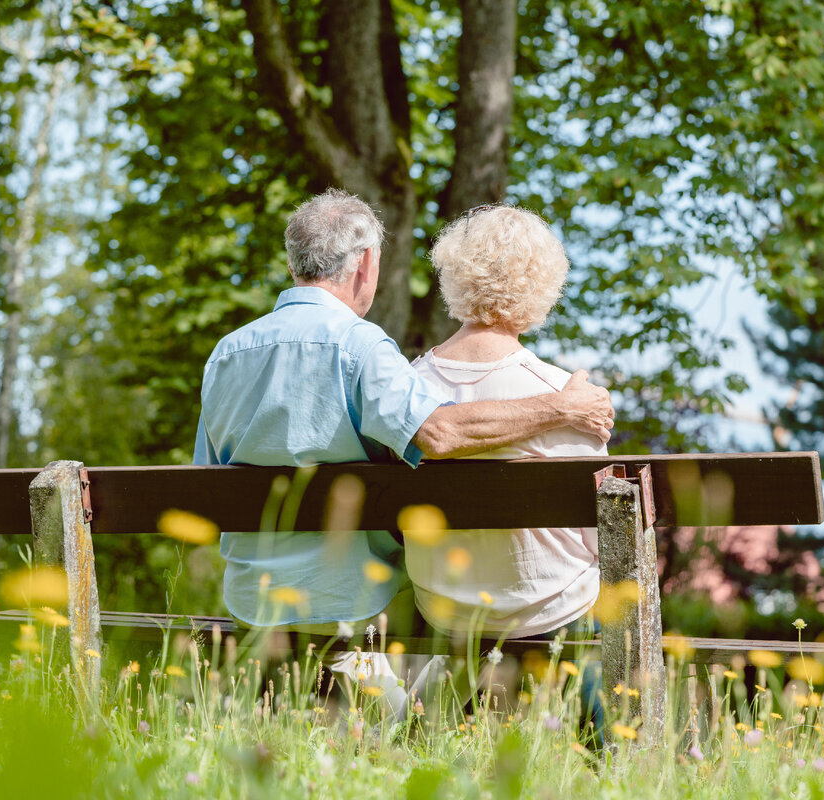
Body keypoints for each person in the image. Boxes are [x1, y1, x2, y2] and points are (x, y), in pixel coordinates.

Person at [192, 189, 613, 717]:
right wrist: (562, 408)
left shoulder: (226, 353)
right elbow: (437, 434)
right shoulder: (360, 347)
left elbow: (207, 479)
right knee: (408, 733)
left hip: (250, 599)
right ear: (366, 263)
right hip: (343, 607)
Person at [405, 204, 607, 739]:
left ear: (454, 275)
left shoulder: (404, 389)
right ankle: (613, 756)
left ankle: (419, 738)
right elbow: (598, 538)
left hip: (446, 607)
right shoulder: (570, 396)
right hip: (552, 609)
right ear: (544, 286)